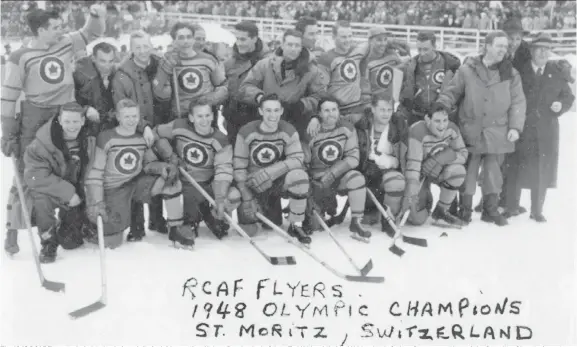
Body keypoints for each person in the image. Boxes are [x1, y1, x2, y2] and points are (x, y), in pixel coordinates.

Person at [2, 5, 107, 255]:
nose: (62, 30)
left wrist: (95, 15)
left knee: (74, 167)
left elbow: (92, 32)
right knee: (27, 176)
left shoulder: (65, 43)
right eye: (56, 27)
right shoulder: (19, 57)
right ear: (41, 30)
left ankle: (73, 224)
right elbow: (7, 98)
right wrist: (8, 133)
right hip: (35, 117)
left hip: (67, 115)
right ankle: (12, 230)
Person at [434, 31, 526, 226]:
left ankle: (490, 210)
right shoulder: (468, 70)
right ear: (487, 46)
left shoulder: (510, 73)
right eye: (499, 45)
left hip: (498, 132)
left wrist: (515, 127)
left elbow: (518, 102)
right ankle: (465, 210)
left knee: (494, 173)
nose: (503, 50)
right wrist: (441, 105)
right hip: (470, 130)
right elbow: (452, 92)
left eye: (505, 46)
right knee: (469, 172)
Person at [84, 99, 194, 249]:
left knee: (171, 182)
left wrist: (162, 167)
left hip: (135, 184)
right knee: (112, 243)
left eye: (134, 116)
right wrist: (97, 201)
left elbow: (147, 164)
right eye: (127, 117)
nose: (131, 120)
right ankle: (90, 228)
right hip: (112, 190)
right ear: (118, 117)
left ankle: (176, 229)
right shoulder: (106, 138)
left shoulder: (143, 137)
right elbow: (95, 172)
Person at [504, 33, 575, 222]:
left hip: (546, 130)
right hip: (521, 127)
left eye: (547, 49)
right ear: (532, 51)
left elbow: (568, 97)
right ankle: (511, 206)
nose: (543, 53)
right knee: (515, 166)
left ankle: (537, 210)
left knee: (542, 169)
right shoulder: (519, 70)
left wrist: (561, 105)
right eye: (539, 49)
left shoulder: (556, 71)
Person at [153, 97, 241, 239]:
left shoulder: (221, 139)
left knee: (233, 196)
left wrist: (219, 197)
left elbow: (223, 170)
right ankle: (183, 223)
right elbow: (156, 133)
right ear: (191, 117)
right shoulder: (178, 126)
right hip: (185, 182)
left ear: (213, 116)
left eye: (207, 115)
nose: (204, 120)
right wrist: (170, 155)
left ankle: (212, 215)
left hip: (207, 183)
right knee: (178, 195)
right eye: (199, 116)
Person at [22, 103, 96, 263]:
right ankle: (48, 242)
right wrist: (68, 193)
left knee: (71, 243)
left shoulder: (89, 137)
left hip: (79, 190)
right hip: (54, 190)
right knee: (41, 200)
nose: (72, 126)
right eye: (67, 121)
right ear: (60, 120)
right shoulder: (42, 143)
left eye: (76, 121)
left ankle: (71, 226)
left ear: (83, 121)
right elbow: (35, 176)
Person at [233, 94, 310, 244]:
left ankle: (296, 224)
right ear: (260, 111)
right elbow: (239, 167)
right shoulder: (246, 131)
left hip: (274, 181)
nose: (272, 115)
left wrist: (270, 173)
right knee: (249, 231)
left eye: (276, 110)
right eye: (268, 110)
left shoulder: (288, 130)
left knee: (299, 176)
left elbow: (297, 159)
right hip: (253, 184)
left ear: (281, 111)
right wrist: (247, 196)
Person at [112, 30, 166, 241]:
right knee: (135, 173)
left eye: (146, 46)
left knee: (160, 170)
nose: (143, 51)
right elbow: (121, 104)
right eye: (138, 48)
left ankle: (157, 217)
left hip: (160, 127)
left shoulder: (160, 65)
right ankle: (137, 225)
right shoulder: (123, 73)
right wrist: (142, 126)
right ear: (131, 49)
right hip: (135, 129)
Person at [302, 96, 371, 242]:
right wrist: (309, 185)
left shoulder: (347, 128)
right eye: (326, 110)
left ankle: (356, 221)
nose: (331, 114)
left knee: (356, 178)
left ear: (339, 111)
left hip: (339, 176)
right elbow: (302, 163)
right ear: (319, 113)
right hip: (317, 182)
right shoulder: (310, 131)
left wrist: (333, 173)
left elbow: (353, 158)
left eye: (334, 110)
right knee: (315, 227)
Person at [238, 29, 327, 139]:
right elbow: (245, 87)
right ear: (283, 45)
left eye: (297, 45)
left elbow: (320, 95)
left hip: (294, 120)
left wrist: (302, 105)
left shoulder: (311, 71)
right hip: (265, 119)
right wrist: (260, 97)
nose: (293, 49)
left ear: (301, 48)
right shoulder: (265, 65)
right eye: (289, 44)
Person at [400, 108, 468, 228]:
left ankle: (441, 212)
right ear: (427, 119)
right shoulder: (417, 131)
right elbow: (413, 165)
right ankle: (422, 199)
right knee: (416, 219)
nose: (442, 125)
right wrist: (412, 189)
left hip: (438, 171)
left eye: (445, 120)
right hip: (419, 174)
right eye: (437, 121)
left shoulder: (452, 129)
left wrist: (443, 158)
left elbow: (463, 154)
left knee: (458, 172)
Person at [153, 22, 228, 119]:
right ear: (174, 41)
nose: (186, 41)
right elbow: (160, 93)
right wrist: (165, 71)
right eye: (181, 38)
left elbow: (223, 85)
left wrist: (211, 98)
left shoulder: (208, 60)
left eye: (189, 37)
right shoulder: (167, 60)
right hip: (180, 117)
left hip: (205, 116)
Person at [355, 95, 407, 232]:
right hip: (366, 172)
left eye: (389, 110)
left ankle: (389, 218)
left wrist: (386, 161)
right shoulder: (362, 125)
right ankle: (371, 209)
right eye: (382, 109)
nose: (386, 114)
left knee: (396, 181)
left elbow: (401, 159)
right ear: (373, 109)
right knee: (368, 219)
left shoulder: (397, 128)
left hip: (387, 172)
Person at [398, 31, 461, 126]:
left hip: (442, 118)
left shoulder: (450, 65)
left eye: (426, 49)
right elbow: (404, 96)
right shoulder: (410, 66)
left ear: (435, 46)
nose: (422, 53)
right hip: (418, 117)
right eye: (419, 49)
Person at [222, 21, 270, 144]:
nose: (239, 43)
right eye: (237, 39)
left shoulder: (268, 62)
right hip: (233, 119)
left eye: (243, 39)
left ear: (254, 39)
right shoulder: (229, 63)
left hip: (258, 118)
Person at [317, 21, 370, 126]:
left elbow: (374, 42)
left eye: (350, 36)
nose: (348, 40)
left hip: (357, 110)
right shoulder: (326, 58)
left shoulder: (357, 51)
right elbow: (322, 90)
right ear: (333, 37)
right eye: (343, 37)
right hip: (338, 112)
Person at [74, 42, 118, 134]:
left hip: (110, 128)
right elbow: (69, 100)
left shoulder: (117, 73)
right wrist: (85, 110)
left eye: (111, 61)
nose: (107, 66)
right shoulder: (80, 75)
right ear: (93, 58)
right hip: (87, 129)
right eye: (103, 61)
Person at [360, 28, 404, 103]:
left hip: (390, 106)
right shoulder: (364, 62)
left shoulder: (392, 54)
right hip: (374, 106)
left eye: (385, 39)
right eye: (379, 40)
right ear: (370, 41)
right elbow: (365, 92)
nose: (383, 43)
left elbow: (403, 70)